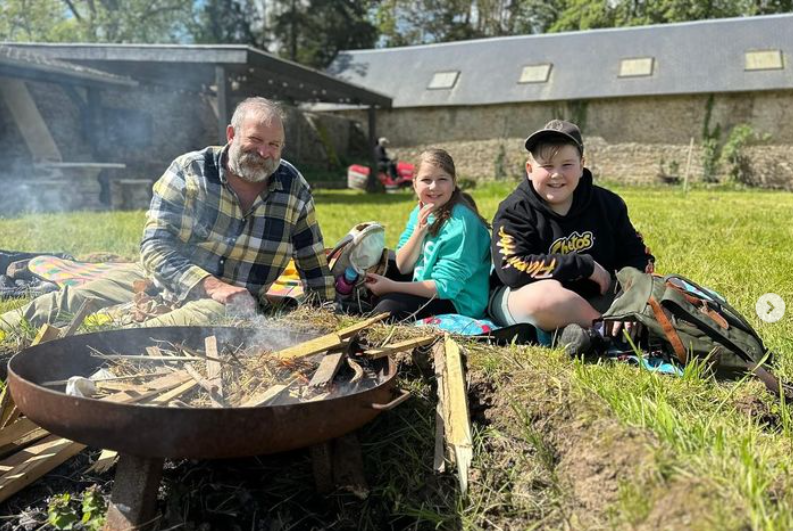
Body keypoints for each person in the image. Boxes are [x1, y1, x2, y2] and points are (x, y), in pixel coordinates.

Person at [0, 97, 334, 333]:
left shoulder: (294, 188)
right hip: (160, 280)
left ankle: (85, 355)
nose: (264, 152)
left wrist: (329, 314)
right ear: (231, 135)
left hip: (230, 304)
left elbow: (312, 261)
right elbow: (155, 247)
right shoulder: (190, 171)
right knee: (69, 300)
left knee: (157, 331)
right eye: (255, 140)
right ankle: (5, 331)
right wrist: (210, 285)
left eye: (274, 145)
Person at [488, 119, 655, 354]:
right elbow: (512, 270)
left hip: (595, 297)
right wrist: (584, 266)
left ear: (581, 165)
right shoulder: (514, 210)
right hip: (526, 298)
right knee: (546, 298)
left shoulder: (608, 204)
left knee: (657, 292)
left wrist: (630, 299)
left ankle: (576, 335)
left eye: (567, 165)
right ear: (529, 169)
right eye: (547, 166)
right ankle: (610, 332)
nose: (556, 174)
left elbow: (637, 256)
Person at [365, 148, 491, 321]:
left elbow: (444, 287)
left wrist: (392, 287)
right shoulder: (421, 211)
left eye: (442, 179)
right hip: (426, 283)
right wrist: (418, 232)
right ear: (414, 183)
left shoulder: (462, 224)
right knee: (376, 264)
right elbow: (403, 266)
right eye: (426, 180)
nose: (433, 187)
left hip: (457, 302)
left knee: (387, 309)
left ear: (454, 183)